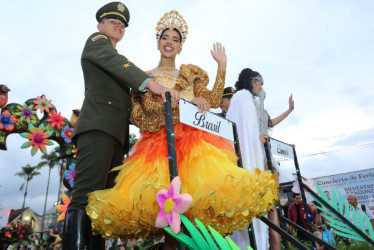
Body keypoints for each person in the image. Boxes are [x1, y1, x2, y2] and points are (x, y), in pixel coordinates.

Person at [86, 9, 279, 244]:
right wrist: (185, 105)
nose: (170, 42)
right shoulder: (145, 76)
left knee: (195, 219)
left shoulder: (190, 74)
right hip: (159, 151)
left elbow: (214, 100)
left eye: (175, 39)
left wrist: (222, 67)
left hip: (197, 150)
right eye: (165, 38)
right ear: (158, 43)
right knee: (169, 222)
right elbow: (140, 115)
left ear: (180, 46)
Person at [64, 2, 180, 250]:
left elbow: (129, 106)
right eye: (113, 21)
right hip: (98, 129)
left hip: (114, 135)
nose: (119, 25)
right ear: (100, 25)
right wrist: (152, 84)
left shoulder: (116, 62)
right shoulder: (97, 43)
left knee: (100, 202)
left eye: (123, 24)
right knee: (85, 196)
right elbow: (117, 62)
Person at [226, 68, 294, 249]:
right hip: (251, 161)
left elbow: (268, 124)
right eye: (260, 83)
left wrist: (289, 110)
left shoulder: (256, 103)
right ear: (253, 82)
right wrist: (256, 138)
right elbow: (240, 131)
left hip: (265, 159)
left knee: (272, 207)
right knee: (262, 208)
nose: (262, 87)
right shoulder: (241, 99)